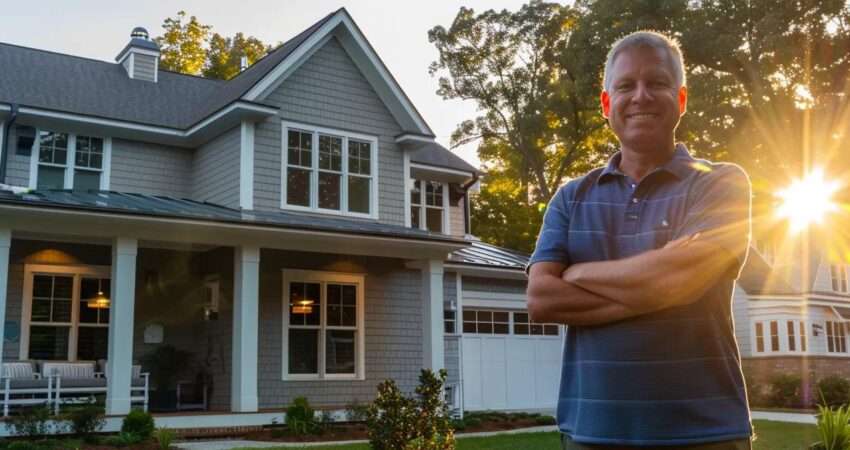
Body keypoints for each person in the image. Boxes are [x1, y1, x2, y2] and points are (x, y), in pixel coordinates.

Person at [526, 30, 753, 449]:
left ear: (681, 100)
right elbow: (542, 299)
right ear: (607, 103)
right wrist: (659, 284)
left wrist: (579, 273)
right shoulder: (570, 197)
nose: (642, 96)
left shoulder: (721, 184)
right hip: (591, 434)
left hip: (705, 434)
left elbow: (674, 280)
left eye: (658, 83)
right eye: (626, 85)